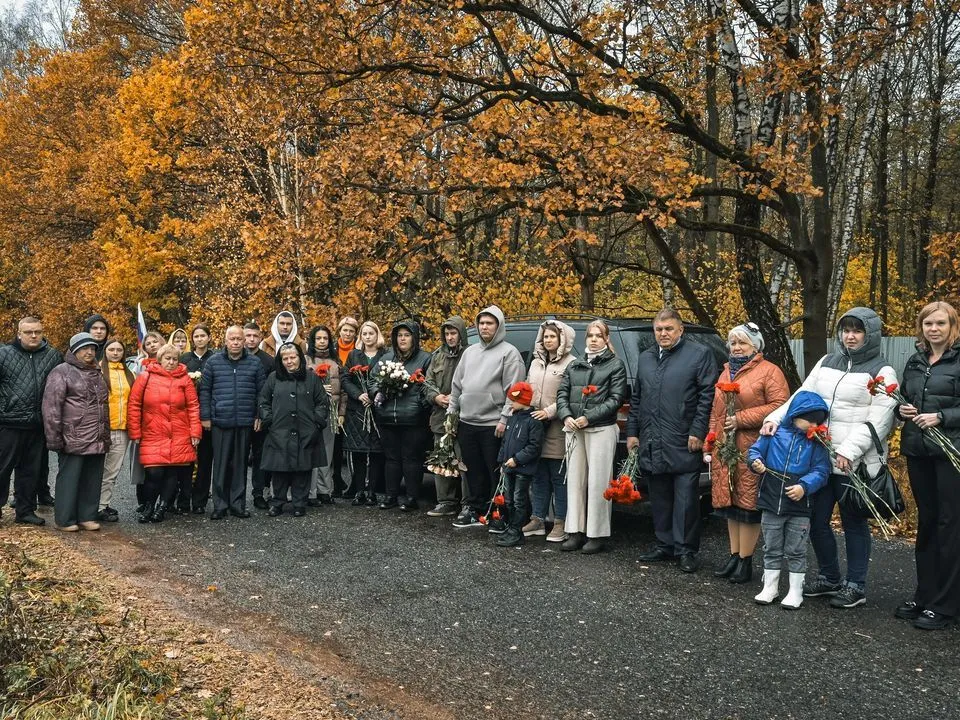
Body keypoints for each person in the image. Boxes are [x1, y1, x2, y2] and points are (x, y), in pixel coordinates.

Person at [762, 307, 897, 609]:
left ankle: (856, 585)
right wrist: (774, 418)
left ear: (870, 334)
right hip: (820, 460)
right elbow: (802, 396)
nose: (850, 336)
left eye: (857, 330)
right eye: (846, 330)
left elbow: (881, 419)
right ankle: (829, 576)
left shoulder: (882, 371)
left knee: (853, 524)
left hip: (855, 464)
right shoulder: (826, 362)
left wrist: (847, 451)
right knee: (816, 520)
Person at [627, 308, 718, 572]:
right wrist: (633, 432)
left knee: (687, 500)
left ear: (680, 330)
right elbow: (637, 398)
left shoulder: (698, 355)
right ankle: (664, 544)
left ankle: (686, 550)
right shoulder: (645, 358)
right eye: (658, 329)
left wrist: (698, 432)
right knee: (660, 496)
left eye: (668, 329)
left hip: (683, 437)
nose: (663, 334)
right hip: (652, 439)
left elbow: (706, 397)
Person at [706, 323, 789, 584]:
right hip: (726, 447)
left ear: (756, 346)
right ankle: (734, 555)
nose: (737, 347)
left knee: (748, 504)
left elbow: (780, 406)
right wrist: (711, 438)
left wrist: (741, 419)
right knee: (730, 504)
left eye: (743, 342)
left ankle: (746, 560)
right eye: (733, 342)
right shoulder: (726, 372)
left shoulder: (769, 371)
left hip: (752, 446)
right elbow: (715, 410)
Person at [895, 301, 960, 630]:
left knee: (951, 527)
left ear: (952, 326)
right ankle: (925, 594)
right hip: (918, 450)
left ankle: (946, 605)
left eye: (940, 323)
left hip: (951, 455)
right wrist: (902, 411)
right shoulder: (916, 360)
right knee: (927, 523)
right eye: (927, 324)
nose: (933, 329)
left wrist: (942, 417)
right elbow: (906, 399)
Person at [748, 391, 831, 609]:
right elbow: (755, 451)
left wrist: (804, 486)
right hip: (771, 500)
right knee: (771, 546)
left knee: (796, 549)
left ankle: (796, 591)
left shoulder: (817, 442)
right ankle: (770, 587)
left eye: (817, 421)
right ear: (795, 414)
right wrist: (755, 461)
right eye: (809, 419)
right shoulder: (773, 433)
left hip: (799, 505)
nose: (813, 424)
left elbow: (822, 470)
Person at [449, 306, 525, 529]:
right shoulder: (469, 352)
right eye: (481, 323)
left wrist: (504, 419)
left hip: (493, 424)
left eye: (489, 323)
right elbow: (456, 385)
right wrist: (452, 414)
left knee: (494, 471)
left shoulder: (509, 353)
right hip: (467, 422)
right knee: (472, 470)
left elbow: (515, 391)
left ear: (498, 326)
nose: (484, 327)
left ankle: (497, 512)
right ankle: (475, 509)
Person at [556, 320, 628, 554]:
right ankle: (575, 531)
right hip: (574, 429)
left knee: (598, 482)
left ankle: (596, 534)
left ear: (607, 339)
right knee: (575, 481)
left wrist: (589, 417)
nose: (594, 339)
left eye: (599, 335)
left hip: (600, 429)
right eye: (590, 335)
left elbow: (615, 399)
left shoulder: (615, 365)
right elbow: (562, 393)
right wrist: (566, 415)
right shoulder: (575, 364)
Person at [42, 332, 110, 532]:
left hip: (97, 436)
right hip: (73, 436)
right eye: (84, 348)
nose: (89, 352)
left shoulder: (98, 372)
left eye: (92, 348)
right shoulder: (61, 371)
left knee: (92, 478)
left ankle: (87, 516)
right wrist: (53, 438)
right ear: (74, 351)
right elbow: (51, 407)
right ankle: (65, 519)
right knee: (69, 479)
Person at [127, 343, 201, 523]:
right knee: (154, 473)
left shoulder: (184, 379)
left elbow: (193, 406)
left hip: (179, 432)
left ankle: (162, 507)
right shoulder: (145, 377)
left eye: (175, 359)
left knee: (171, 474)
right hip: (153, 431)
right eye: (167, 358)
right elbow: (134, 405)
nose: (171, 362)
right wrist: (135, 432)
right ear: (160, 360)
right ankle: (149, 505)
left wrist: (195, 432)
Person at [0, 316, 62, 525]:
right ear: (19, 333)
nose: (34, 335)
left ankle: (25, 511)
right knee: (2, 469)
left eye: (37, 331)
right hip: (9, 422)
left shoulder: (53, 356)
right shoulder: (4, 354)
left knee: (30, 471)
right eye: (28, 332)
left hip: (38, 424)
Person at [199, 325, 266, 519]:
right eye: (232, 339)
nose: (236, 342)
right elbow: (205, 391)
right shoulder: (213, 362)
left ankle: (237, 504)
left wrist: (259, 415)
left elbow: (261, 393)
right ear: (225, 341)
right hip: (220, 421)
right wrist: (205, 417)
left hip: (245, 421)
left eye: (239, 338)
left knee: (240, 465)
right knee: (219, 465)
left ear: (244, 341)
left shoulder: (254, 363)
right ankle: (220, 505)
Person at [258, 343, 330, 516]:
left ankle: (299, 503)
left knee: (302, 469)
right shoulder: (274, 378)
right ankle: (278, 502)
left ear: (300, 358)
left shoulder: (311, 378)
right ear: (280, 361)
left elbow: (322, 402)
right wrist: (269, 419)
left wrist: (316, 422)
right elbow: (263, 400)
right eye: (285, 358)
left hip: (306, 430)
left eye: (293, 357)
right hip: (279, 430)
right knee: (279, 469)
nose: (289, 361)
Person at [370, 319, 432, 510]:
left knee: (411, 458)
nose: (402, 339)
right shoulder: (386, 358)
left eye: (407, 335)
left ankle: (412, 497)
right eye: (399, 335)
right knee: (391, 458)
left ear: (414, 338)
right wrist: (378, 392)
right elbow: (372, 379)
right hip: (387, 417)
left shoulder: (425, 358)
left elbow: (428, 385)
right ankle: (391, 496)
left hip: (413, 418)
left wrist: (420, 406)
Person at [524, 320, 576, 542]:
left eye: (552, 337)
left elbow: (571, 395)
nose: (548, 340)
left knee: (559, 477)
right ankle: (537, 519)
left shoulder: (571, 363)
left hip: (557, 427)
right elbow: (527, 388)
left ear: (562, 339)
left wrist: (550, 411)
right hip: (535, 427)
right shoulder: (536, 363)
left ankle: (560, 522)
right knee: (538, 476)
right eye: (545, 336)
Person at [423, 316, 468, 517]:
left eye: (453, 333)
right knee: (441, 461)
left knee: (463, 461)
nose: (450, 337)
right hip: (440, 416)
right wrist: (436, 397)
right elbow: (427, 382)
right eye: (447, 334)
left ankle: (467, 503)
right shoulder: (437, 356)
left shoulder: (469, 354)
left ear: (461, 334)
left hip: (463, 417)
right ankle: (445, 501)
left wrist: (457, 398)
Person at [341, 320, 387, 506]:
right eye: (365, 334)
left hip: (377, 408)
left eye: (371, 333)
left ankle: (372, 491)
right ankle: (359, 490)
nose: (368, 337)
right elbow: (345, 378)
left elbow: (389, 377)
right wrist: (358, 394)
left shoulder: (386, 355)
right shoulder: (354, 355)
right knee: (358, 452)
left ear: (377, 335)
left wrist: (376, 394)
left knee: (375, 452)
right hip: (357, 409)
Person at [495, 382, 545, 547]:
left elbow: (534, 446)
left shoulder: (533, 421)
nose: (510, 403)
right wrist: (502, 461)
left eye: (513, 400)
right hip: (509, 466)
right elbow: (505, 442)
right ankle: (511, 528)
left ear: (523, 400)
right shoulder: (512, 417)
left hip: (523, 468)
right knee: (509, 500)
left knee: (519, 500)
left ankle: (517, 531)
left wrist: (517, 459)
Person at [306, 325, 346, 505]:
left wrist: (341, 413)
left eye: (325, 338)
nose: (322, 342)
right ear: (313, 341)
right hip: (311, 413)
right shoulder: (306, 361)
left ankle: (325, 490)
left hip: (331, 411)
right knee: (312, 451)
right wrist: (319, 389)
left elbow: (344, 390)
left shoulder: (336, 361)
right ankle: (311, 491)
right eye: (318, 338)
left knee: (328, 452)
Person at [97, 338, 134, 522]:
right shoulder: (97, 371)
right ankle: (90, 504)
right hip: (101, 428)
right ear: (105, 351)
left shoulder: (130, 374)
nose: (115, 352)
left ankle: (102, 505)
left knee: (111, 471)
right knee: (95, 469)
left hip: (121, 429)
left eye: (119, 349)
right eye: (111, 349)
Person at [182, 323, 215, 513]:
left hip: (207, 416)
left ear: (209, 338)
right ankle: (184, 498)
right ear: (192, 339)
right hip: (186, 416)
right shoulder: (184, 359)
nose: (200, 339)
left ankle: (200, 501)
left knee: (205, 459)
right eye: (196, 336)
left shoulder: (216, 358)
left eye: (203, 335)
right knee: (187, 460)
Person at [244, 321, 274, 509]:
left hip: (260, 417)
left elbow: (268, 392)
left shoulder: (269, 361)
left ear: (260, 337)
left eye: (255, 336)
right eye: (248, 335)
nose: (251, 339)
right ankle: (235, 494)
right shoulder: (233, 357)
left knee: (260, 456)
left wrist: (261, 415)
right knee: (237, 458)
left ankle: (258, 493)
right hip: (238, 416)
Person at [334, 316, 360, 495]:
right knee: (334, 445)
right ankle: (335, 480)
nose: (348, 333)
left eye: (351, 331)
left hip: (352, 400)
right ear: (340, 331)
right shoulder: (331, 349)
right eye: (345, 330)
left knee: (351, 444)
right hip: (333, 401)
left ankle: (355, 483)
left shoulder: (358, 351)